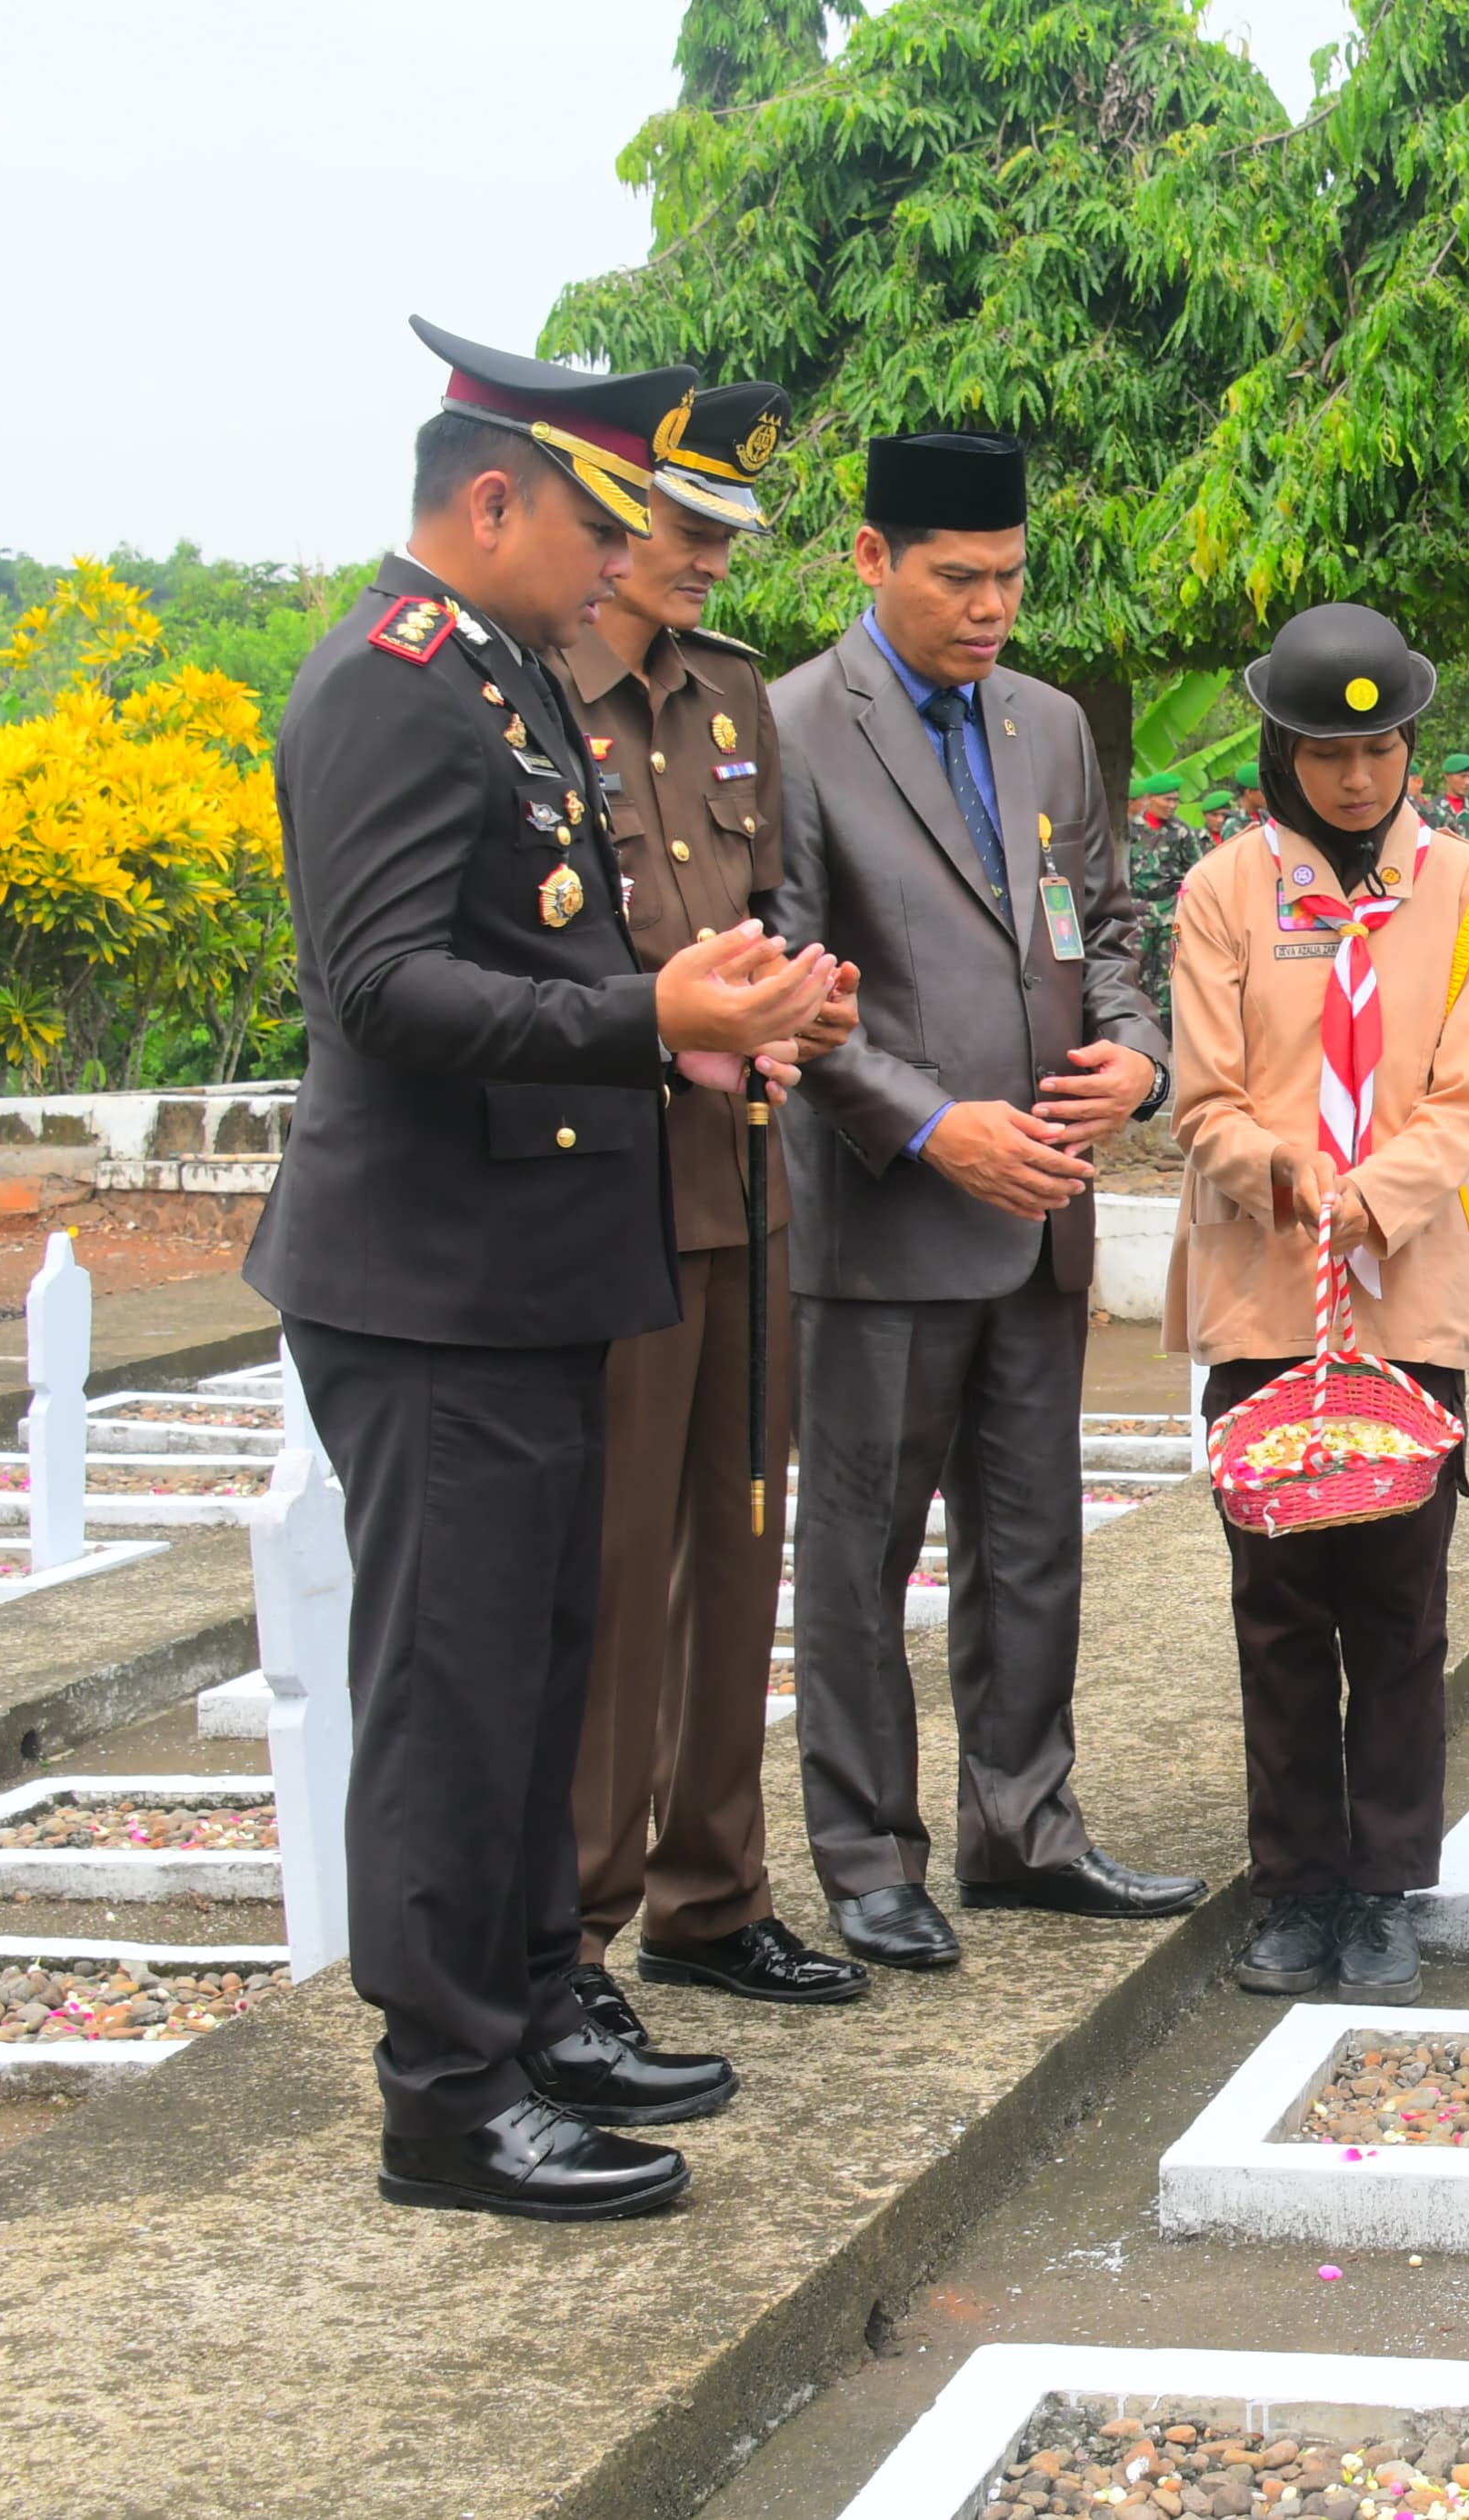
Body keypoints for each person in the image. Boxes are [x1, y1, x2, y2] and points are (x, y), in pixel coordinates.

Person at [251, 319, 844, 2217]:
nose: (626, 563)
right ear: (488, 497)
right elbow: (383, 986)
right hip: (428, 1277)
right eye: (601, 525)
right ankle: (445, 2091)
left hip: (532, 1265)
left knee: (537, 1665)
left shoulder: (504, 670)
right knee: (450, 1684)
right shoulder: (392, 680)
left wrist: (698, 1025)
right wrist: (641, 1010)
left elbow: (548, 958)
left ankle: (535, 2001)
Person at [769, 429, 1204, 1972]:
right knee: (863, 1548)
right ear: (872, 559)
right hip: (886, 1217)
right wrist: (929, 1123)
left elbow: (1110, 927)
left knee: (1031, 1541)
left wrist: (1136, 1060)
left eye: (1012, 576)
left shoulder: (1049, 728)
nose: (992, 606)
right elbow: (787, 984)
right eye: (958, 576)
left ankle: (1025, 1826)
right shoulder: (795, 728)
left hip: (1045, 1205)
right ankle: (867, 1848)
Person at [551, 380, 872, 2028]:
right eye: (682, 531)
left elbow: (780, 914)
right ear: (602, 523)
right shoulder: (534, 692)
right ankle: (583, 1930)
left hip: (748, 1187)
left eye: (727, 537)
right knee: (612, 1576)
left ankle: (711, 1891)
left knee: (741, 1554)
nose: (707, 565)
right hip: (606, 1197)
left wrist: (812, 1004)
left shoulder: (734, 697)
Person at [1164, 603, 1469, 2007]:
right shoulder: (1224, 893)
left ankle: (1384, 1891)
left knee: (1403, 1610)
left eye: (1379, 748)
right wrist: (1278, 1168)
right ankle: (1294, 1883)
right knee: (1281, 1607)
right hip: (1267, 1295)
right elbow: (1201, 1103)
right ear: (1282, 750)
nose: (1357, 779)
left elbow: (1467, 1095)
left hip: (1412, 1294)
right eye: (1327, 752)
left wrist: (1384, 1190)